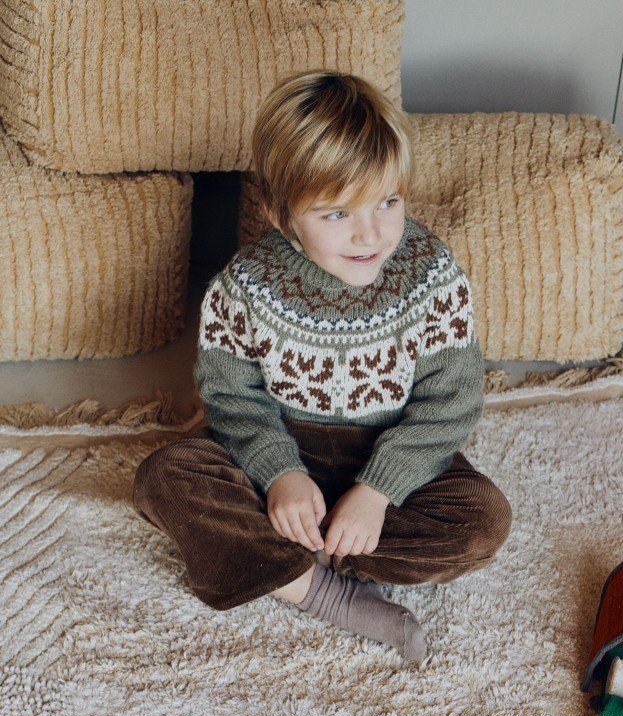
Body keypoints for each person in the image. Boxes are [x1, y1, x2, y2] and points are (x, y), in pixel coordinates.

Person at [133, 69, 512, 661]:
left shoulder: (431, 272)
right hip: (283, 451)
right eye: (337, 214)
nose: (371, 233)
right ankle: (327, 593)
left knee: (483, 521)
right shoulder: (247, 284)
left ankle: (309, 552)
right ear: (283, 215)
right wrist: (279, 472)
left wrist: (377, 491)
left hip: (388, 455)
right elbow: (232, 396)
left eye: (387, 201)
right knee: (164, 479)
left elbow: (452, 400)